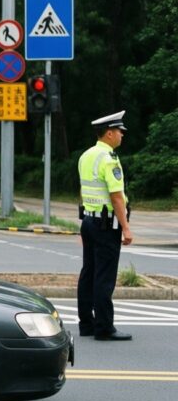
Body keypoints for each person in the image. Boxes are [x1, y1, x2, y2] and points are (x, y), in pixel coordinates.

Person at [76, 110, 133, 341]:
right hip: (106, 225)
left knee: (88, 273)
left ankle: (86, 324)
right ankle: (104, 328)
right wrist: (126, 227)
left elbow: (83, 190)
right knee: (104, 276)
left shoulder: (86, 156)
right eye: (120, 131)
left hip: (89, 221)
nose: (122, 135)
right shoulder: (109, 159)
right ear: (109, 133)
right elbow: (116, 197)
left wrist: (84, 220)